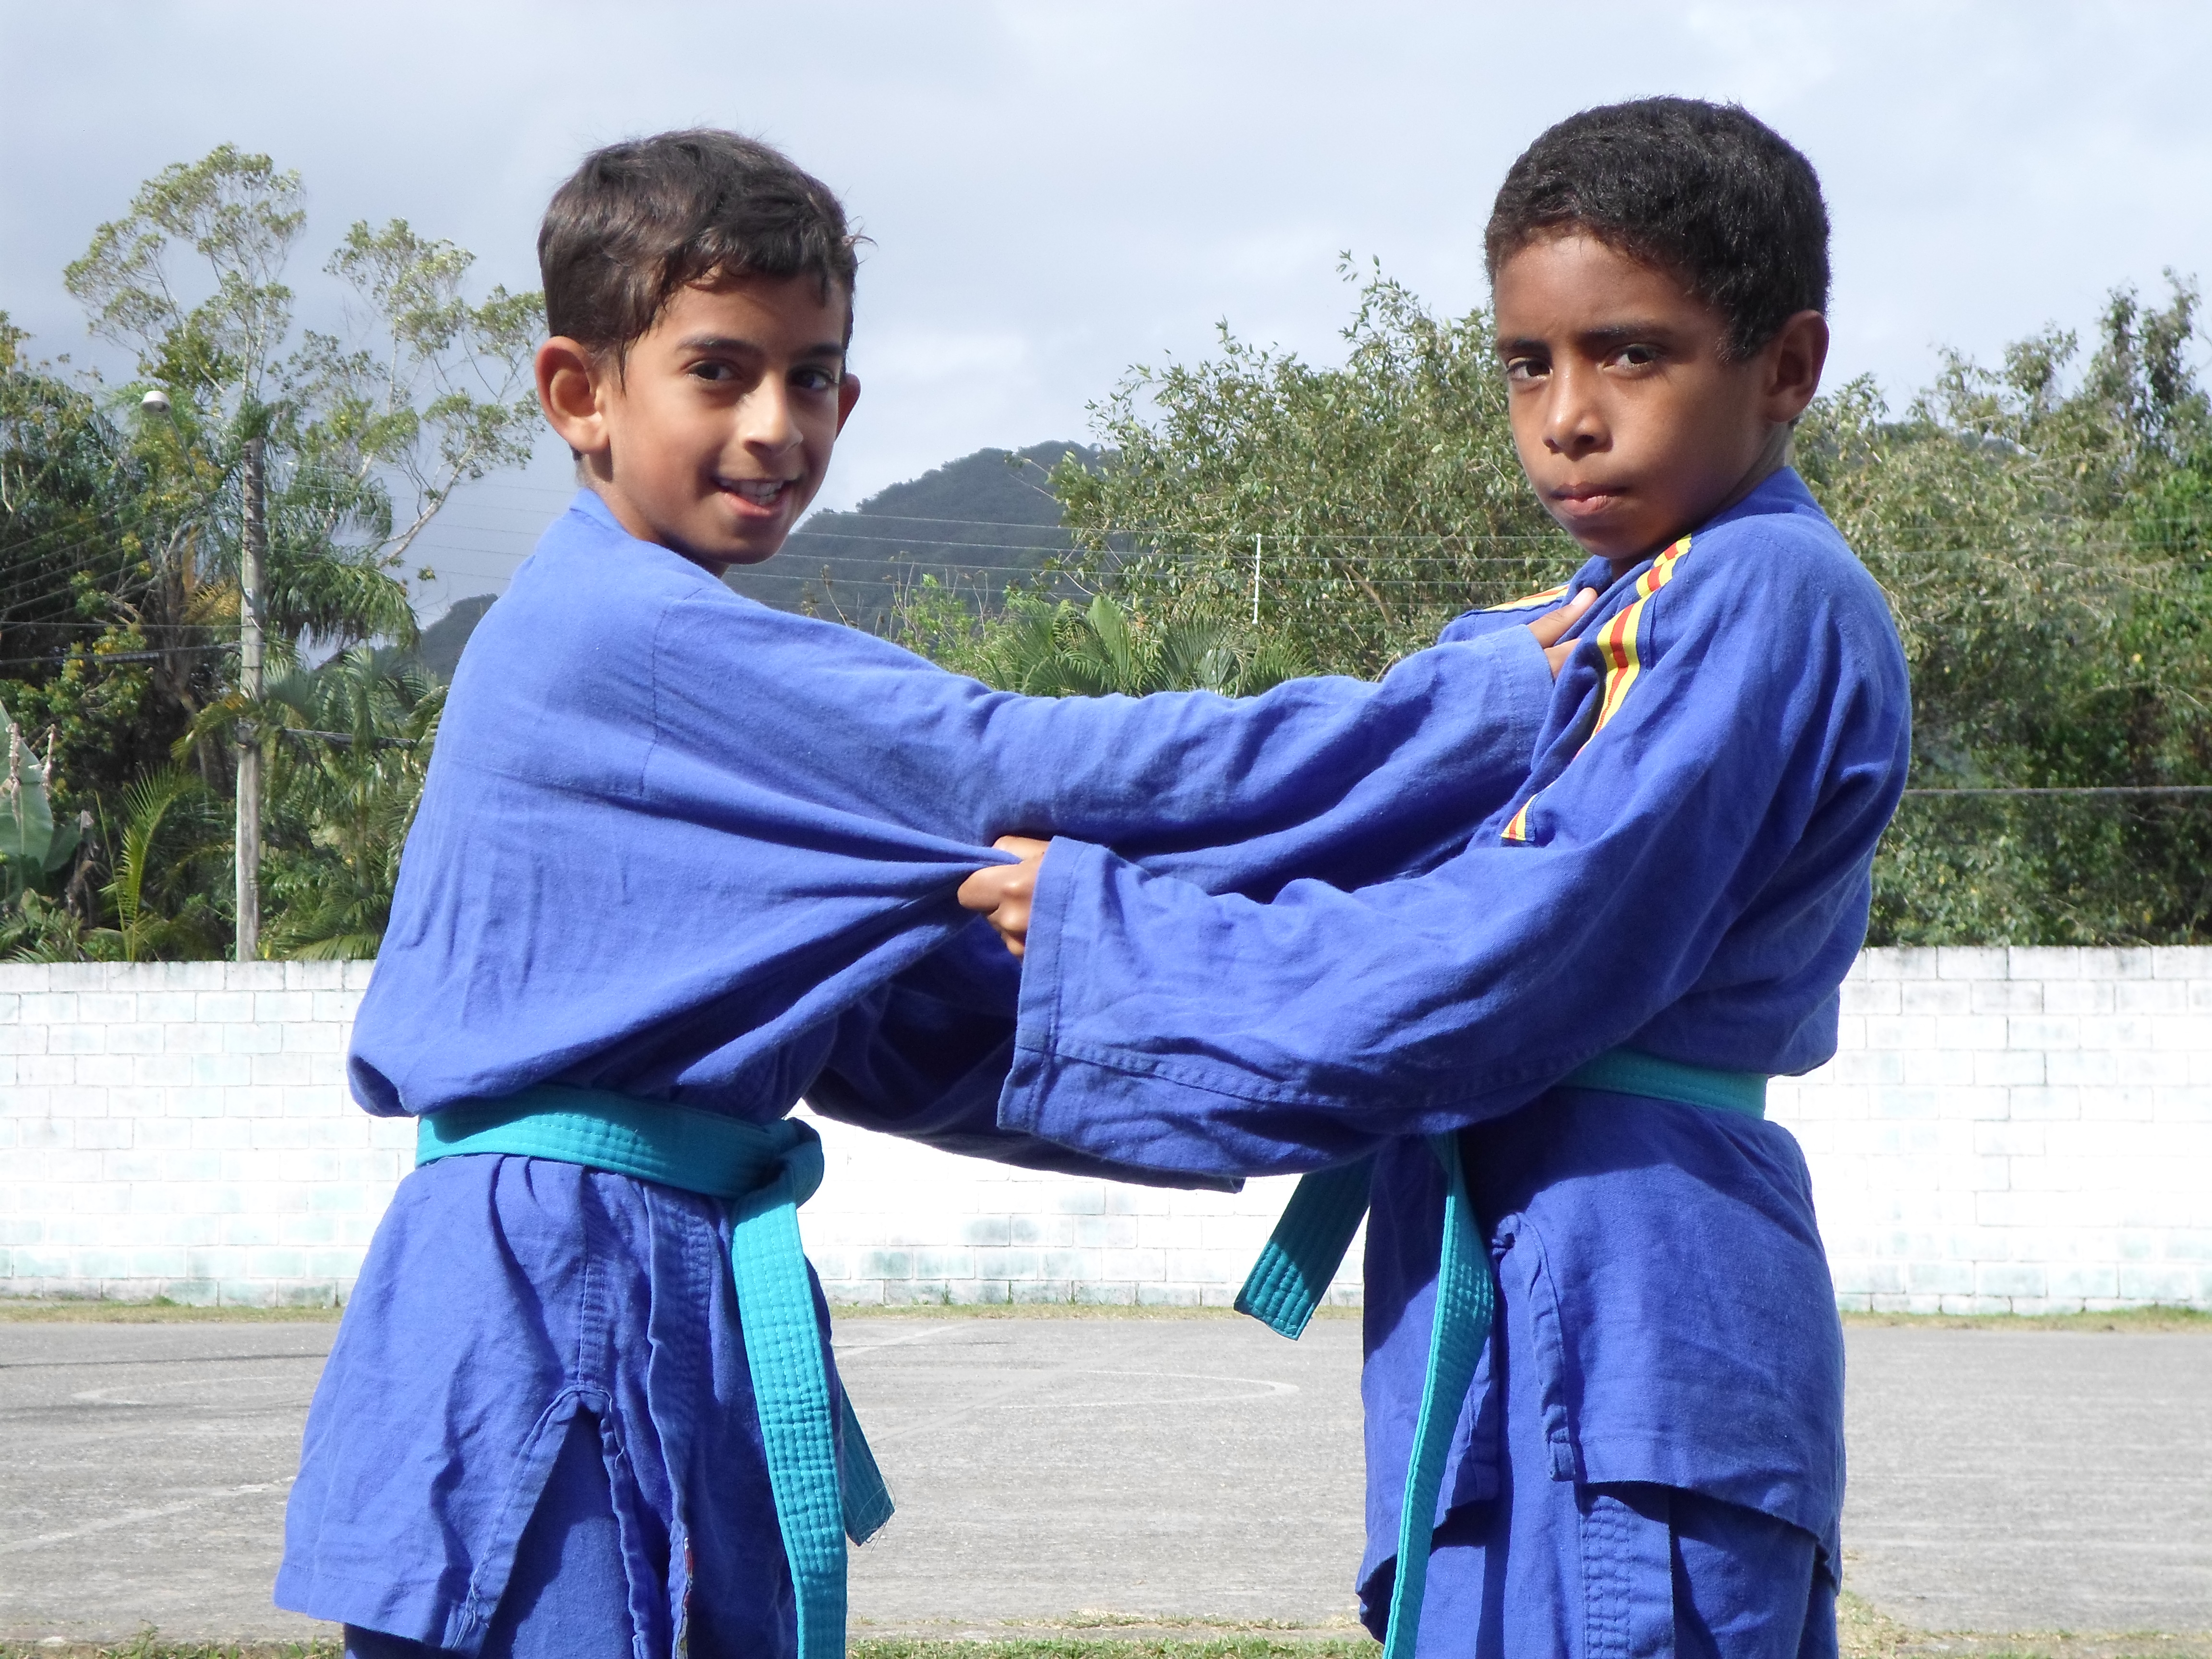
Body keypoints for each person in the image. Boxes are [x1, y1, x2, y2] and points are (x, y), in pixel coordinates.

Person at [276, 129, 1588, 1659]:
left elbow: (919, 1034)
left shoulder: (677, 693)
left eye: (815, 375)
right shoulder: (624, 639)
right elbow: (1018, 760)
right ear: (581, 392)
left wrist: (1298, 1042)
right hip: (557, 1286)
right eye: (720, 370)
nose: (778, 426)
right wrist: (1478, 705)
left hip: (637, 1261)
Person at [957, 98, 1911, 1658]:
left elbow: (1517, 947)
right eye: (1529, 363)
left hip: (1640, 1292)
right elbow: (1341, 807)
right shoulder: (1602, 606)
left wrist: (1107, 932)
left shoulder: (1768, 592)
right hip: (1517, 1264)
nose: (1568, 417)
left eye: (1634, 354)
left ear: (1787, 367)